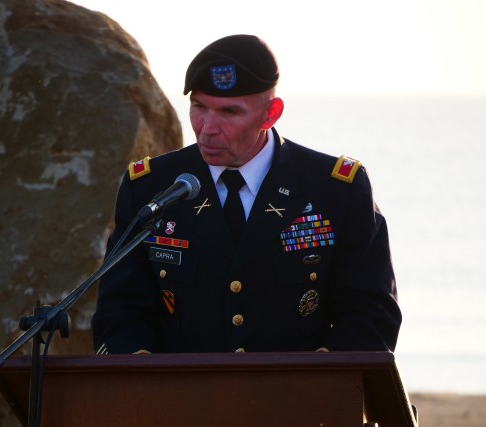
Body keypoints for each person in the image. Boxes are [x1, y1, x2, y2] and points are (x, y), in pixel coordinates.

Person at [92, 34, 401, 355]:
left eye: (229, 112)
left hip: (298, 398)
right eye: (198, 107)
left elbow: (370, 313)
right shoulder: (151, 188)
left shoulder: (334, 190)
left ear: (271, 114)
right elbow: (120, 310)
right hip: (182, 397)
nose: (207, 127)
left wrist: (321, 381)